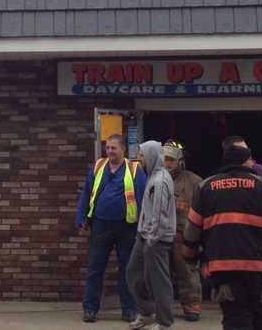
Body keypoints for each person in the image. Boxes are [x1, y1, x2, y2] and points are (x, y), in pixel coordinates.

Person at [183, 143, 262, 330]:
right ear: (244, 161)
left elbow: (192, 230)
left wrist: (189, 257)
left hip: (223, 266)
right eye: (250, 159)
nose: (252, 163)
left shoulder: (205, 187)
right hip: (260, 266)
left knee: (235, 317)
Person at [75, 134, 147, 323]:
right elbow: (86, 193)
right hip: (100, 225)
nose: (109, 151)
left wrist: (144, 225)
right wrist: (81, 217)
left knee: (127, 270)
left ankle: (129, 310)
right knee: (95, 269)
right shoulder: (98, 167)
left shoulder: (135, 169)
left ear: (123, 149)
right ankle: (90, 309)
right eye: (107, 148)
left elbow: (143, 198)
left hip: (127, 227)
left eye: (113, 148)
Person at [127, 140, 176, 330]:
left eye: (142, 155)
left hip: (156, 239)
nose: (140, 159)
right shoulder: (152, 176)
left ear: (151, 156)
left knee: (158, 281)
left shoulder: (161, 180)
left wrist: (152, 239)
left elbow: (159, 215)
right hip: (144, 236)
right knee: (134, 273)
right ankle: (146, 312)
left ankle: (164, 322)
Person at [163, 140, 204, 322]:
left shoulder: (195, 182)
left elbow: (204, 210)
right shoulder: (155, 179)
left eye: (171, 159)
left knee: (187, 271)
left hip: (184, 235)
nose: (167, 163)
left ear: (180, 160)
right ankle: (162, 307)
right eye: (164, 159)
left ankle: (192, 306)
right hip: (161, 234)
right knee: (161, 273)